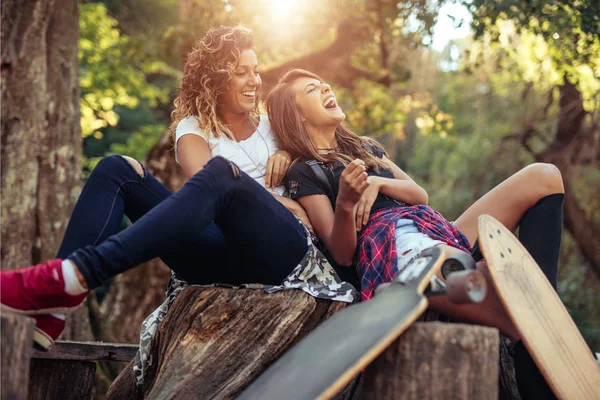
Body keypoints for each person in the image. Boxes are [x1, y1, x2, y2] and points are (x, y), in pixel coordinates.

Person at [0, 27, 357, 354]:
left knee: (223, 174)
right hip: (218, 252)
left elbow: (314, 157)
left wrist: (284, 153)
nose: (254, 81)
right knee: (117, 168)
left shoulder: (274, 123)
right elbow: (213, 189)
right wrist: (276, 198)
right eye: (241, 72)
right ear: (216, 78)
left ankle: (71, 276)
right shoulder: (192, 128)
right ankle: (54, 306)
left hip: (284, 251)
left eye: (256, 70)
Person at [266, 68, 567, 399]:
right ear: (297, 116)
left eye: (324, 83)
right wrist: (347, 204)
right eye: (312, 89)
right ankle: (523, 318)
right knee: (519, 321)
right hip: (395, 250)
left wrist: (379, 182)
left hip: (434, 227)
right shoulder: (304, 171)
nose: (325, 88)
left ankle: (539, 298)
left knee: (544, 176)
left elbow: (419, 194)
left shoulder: (366, 148)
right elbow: (341, 254)